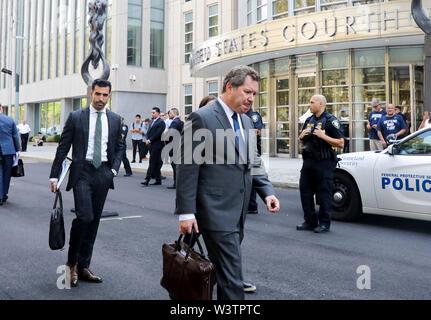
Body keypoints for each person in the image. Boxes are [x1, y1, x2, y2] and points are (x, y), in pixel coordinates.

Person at [176, 65, 280, 300]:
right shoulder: (201, 118)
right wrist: (185, 213)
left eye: (254, 93)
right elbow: (187, 168)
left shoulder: (245, 121)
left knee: (222, 276)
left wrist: (267, 192)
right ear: (229, 87)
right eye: (247, 92)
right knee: (233, 281)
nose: (251, 98)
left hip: (237, 212)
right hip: (214, 212)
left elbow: (253, 161)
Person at [49, 79, 125, 287]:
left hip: (103, 173)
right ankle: (71, 263)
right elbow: (63, 147)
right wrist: (54, 175)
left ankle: (83, 267)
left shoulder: (116, 119)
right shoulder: (76, 117)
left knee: (94, 221)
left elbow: (120, 146)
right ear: (91, 93)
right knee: (85, 216)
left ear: (110, 95)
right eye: (98, 94)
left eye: (105, 95)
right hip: (81, 171)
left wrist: (113, 170)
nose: (101, 99)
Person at [297, 94, 344, 234]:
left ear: (321, 104)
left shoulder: (331, 121)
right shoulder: (309, 120)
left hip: (324, 162)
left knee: (324, 193)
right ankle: (309, 221)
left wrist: (324, 136)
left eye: (312, 102)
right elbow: (302, 141)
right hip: (309, 161)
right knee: (305, 191)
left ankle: (324, 223)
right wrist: (301, 137)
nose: (309, 105)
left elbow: (341, 143)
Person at [240, 102, 263, 215]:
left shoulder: (253, 115)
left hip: (252, 150)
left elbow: (257, 131)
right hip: (242, 150)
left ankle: (252, 205)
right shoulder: (239, 115)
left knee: (252, 178)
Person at [0, 104, 20, 206]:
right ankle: (4, 194)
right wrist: (18, 150)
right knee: (7, 173)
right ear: (1, 109)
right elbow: (15, 136)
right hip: (8, 150)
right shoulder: (9, 120)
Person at [141, 107, 166, 186]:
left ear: (158, 113)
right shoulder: (152, 122)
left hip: (158, 145)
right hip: (151, 145)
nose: (152, 114)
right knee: (156, 163)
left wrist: (150, 140)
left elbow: (158, 134)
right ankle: (158, 180)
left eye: (154, 112)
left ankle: (147, 180)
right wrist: (147, 139)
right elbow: (149, 132)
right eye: (151, 112)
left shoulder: (161, 122)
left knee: (152, 162)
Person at [165, 108, 183, 189]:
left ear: (175, 113)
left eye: (170, 113)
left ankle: (176, 183)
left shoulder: (175, 122)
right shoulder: (181, 122)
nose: (169, 114)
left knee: (175, 165)